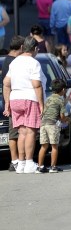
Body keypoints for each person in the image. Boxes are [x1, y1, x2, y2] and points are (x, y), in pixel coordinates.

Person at [2, 36, 45, 173]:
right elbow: (37, 85)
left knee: (21, 132)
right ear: (35, 49)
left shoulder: (14, 62)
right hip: (29, 98)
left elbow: (6, 83)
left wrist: (7, 102)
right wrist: (42, 105)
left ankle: (20, 163)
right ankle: (29, 162)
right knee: (31, 131)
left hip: (15, 99)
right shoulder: (34, 63)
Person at [35, 78, 70, 173]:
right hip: (52, 125)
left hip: (43, 124)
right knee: (54, 146)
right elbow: (62, 116)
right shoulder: (60, 100)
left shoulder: (48, 99)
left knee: (44, 146)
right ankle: (53, 167)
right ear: (63, 89)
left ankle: (40, 167)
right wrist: (67, 120)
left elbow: (47, 111)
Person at [1, 35, 24, 171]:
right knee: (15, 133)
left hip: (11, 100)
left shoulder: (7, 60)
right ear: (21, 48)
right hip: (13, 101)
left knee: (15, 132)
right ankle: (15, 161)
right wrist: (7, 103)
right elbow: (7, 85)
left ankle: (16, 160)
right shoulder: (12, 62)